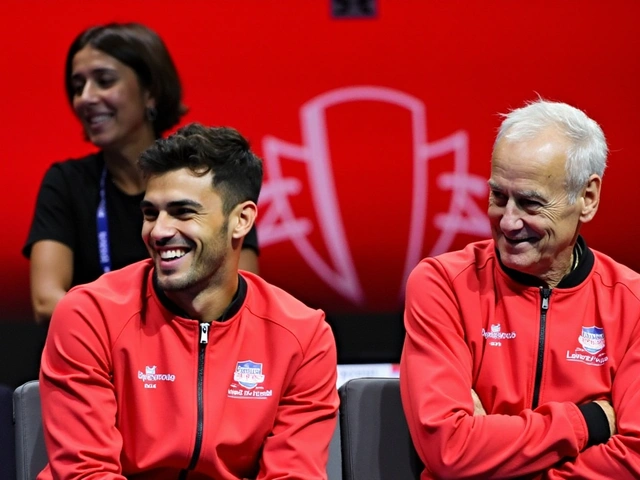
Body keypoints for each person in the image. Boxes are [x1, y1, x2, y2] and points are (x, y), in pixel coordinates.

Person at [38, 123, 339, 479]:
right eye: (151, 213)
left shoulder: (303, 337)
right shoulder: (89, 315)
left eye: (183, 212)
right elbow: (85, 473)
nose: (159, 231)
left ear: (241, 220)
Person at [400, 99, 640, 478]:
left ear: (588, 199)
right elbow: (450, 449)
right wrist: (590, 421)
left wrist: (492, 447)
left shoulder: (633, 305)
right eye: (499, 197)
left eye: (530, 203)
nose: (508, 222)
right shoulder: (441, 284)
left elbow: (635, 455)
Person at [23, 23, 260, 325]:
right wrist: (131, 340)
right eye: (78, 86)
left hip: (193, 355)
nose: (86, 97)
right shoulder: (67, 182)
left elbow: (241, 292)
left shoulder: (207, 176)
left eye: (104, 81)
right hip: (100, 357)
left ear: (151, 91)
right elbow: (46, 301)